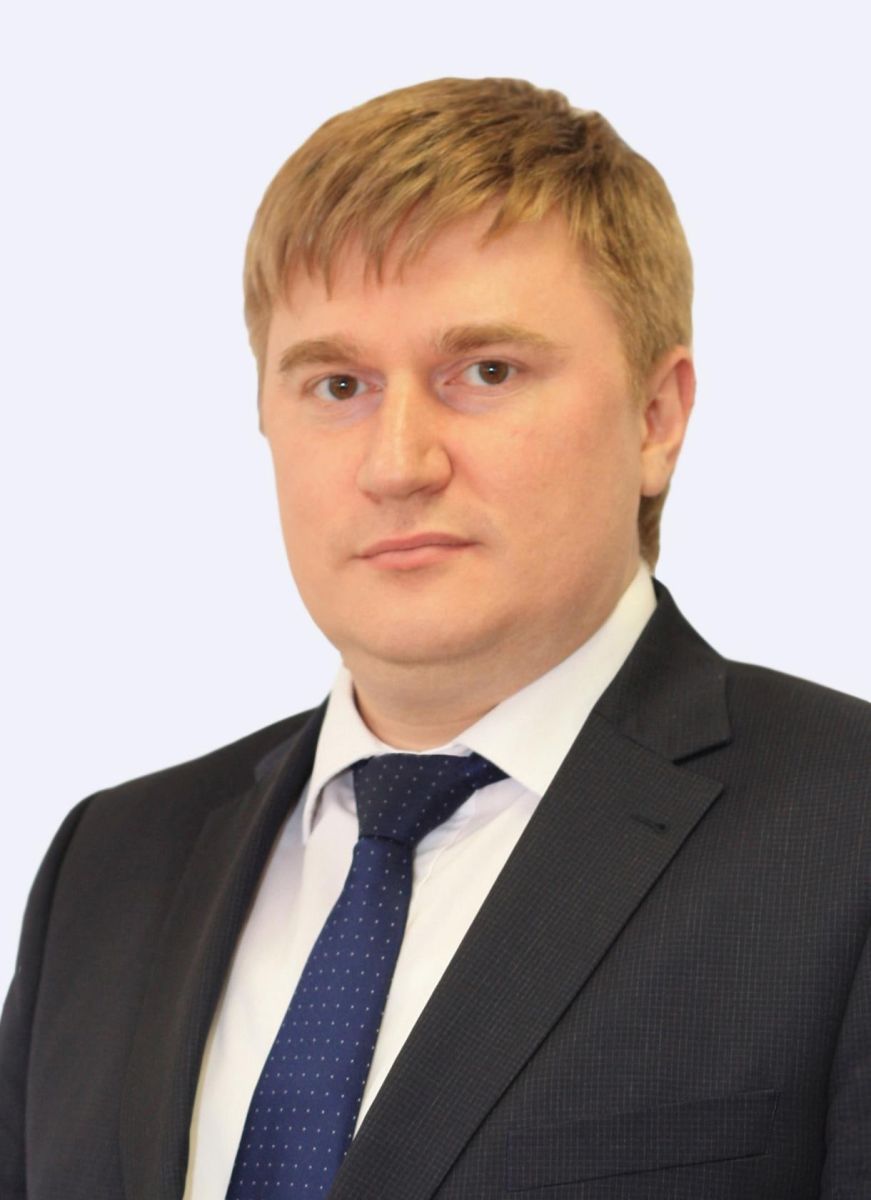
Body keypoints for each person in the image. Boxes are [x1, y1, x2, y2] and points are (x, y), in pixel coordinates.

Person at [1, 76, 868, 1200]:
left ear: (657, 418)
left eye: (486, 372)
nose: (397, 461)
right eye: (338, 384)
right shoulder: (109, 866)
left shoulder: (843, 834)